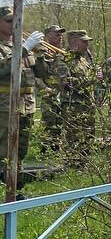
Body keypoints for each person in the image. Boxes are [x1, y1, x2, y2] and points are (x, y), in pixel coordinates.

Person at [0, 8, 39, 191]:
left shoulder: (21, 43)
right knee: (5, 149)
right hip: (5, 105)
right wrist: (24, 49)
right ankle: (5, 189)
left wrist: (42, 57)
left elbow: (40, 74)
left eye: (16, 19)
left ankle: (16, 188)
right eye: (9, 20)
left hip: (27, 104)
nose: (14, 23)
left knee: (21, 149)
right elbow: (2, 67)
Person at [31, 24, 69, 154]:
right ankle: (45, 148)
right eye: (57, 34)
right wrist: (45, 88)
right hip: (48, 91)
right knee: (49, 120)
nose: (60, 37)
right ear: (47, 36)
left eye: (61, 34)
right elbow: (36, 74)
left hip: (63, 92)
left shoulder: (63, 53)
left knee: (60, 121)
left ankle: (56, 146)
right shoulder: (40, 51)